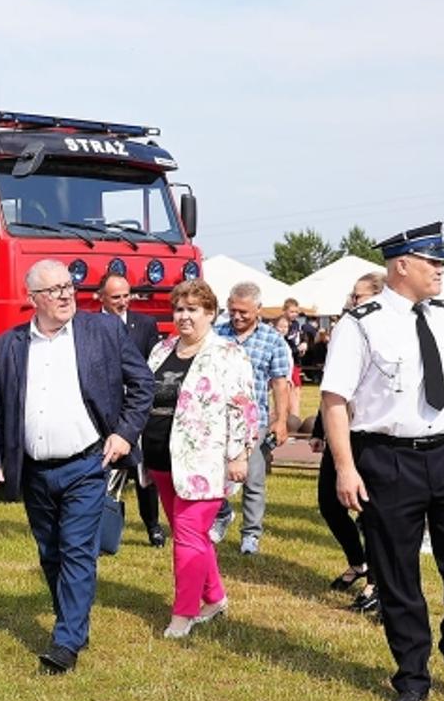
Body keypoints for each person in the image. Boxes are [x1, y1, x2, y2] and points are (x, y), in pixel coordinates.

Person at [321, 221, 444, 701]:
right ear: (401, 266)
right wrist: (346, 468)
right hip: (388, 460)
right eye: (433, 262)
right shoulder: (360, 323)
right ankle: (412, 676)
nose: (441, 271)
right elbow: (334, 400)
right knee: (396, 574)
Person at [0, 260, 153, 674]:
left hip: (86, 464)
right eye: (54, 290)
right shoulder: (9, 346)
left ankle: (66, 642)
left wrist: (125, 433)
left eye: (68, 287)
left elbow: (143, 384)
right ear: (33, 298)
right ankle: (75, 623)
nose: (64, 294)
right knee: (50, 553)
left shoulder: (105, 331)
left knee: (77, 551)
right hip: (35, 471)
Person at [140, 279, 259, 638]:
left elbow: (244, 408)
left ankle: (184, 614)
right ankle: (215, 597)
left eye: (193, 309)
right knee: (189, 535)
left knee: (189, 536)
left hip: (204, 462)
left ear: (210, 313)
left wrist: (239, 455)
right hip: (161, 458)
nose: (184, 316)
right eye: (179, 309)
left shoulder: (227, 354)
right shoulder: (161, 350)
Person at [313, 272, 387, 614]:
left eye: (359, 296)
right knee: (329, 503)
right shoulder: (348, 329)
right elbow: (333, 390)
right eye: (352, 296)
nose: (352, 301)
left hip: (370, 436)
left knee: (370, 512)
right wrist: (318, 428)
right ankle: (359, 563)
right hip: (339, 433)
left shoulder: (389, 333)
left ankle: (377, 584)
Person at [210, 281, 293, 555]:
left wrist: (280, 421)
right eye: (233, 310)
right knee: (214, 476)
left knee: (252, 479)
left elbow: (280, 383)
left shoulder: (272, 340)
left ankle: (251, 535)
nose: (237, 317)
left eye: (244, 312)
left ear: (258, 309)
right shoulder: (216, 334)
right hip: (216, 419)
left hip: (252, 422)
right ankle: (221, 515)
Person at [95, 271, 167, 547]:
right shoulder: (88, 325)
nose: (124, 302)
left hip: (138, 411)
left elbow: (155, 367)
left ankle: (153, 526)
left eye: (127, 295)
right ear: (100, 297)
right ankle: (103, 527)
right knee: (104, 471)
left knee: (143, 472)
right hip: (104, 412)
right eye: (116, 297)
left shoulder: (145, 324)